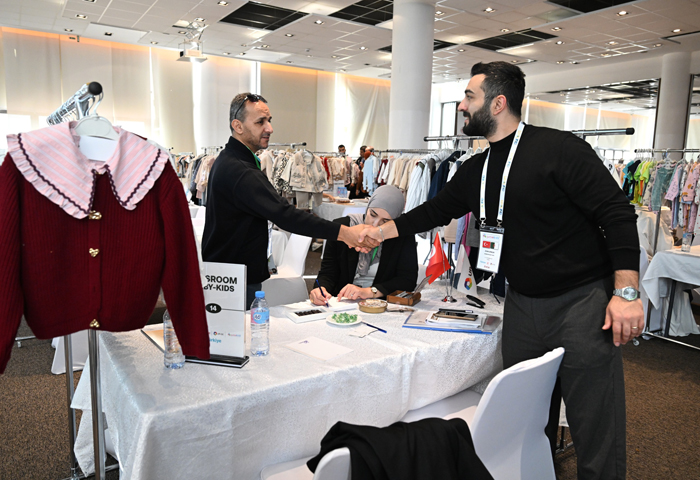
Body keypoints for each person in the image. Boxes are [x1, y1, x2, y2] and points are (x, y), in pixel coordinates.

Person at [359, 61, 643, 480]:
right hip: (523, 306)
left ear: (498, 103)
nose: (461, 106)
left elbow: (617, 213)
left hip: (581, 304)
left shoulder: (560, 149)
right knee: (524, 420)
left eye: (468, 97)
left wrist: (626, 293)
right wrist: (379, 232)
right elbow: (435, 210)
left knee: (594, 426)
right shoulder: (478, 167)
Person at [202, 93, 372, 307]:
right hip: (234, 277)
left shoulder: (231, 160)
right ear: (238, 126)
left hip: (230, 272)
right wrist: (345, 233)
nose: (270, 128)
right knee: (236, 325)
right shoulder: (241, 170)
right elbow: (286, 215)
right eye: (260, 122)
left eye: (269, 120)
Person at [310, 185, 418, 305]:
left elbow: (407, 280)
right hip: (342, 304)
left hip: (381, 306)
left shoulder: (402, 236)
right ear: (367, 208)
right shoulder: (344, 229)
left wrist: (371, 292)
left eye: (386, 221)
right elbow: (328, 272)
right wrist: (321, 289)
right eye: (373, 214)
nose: (375, 225)